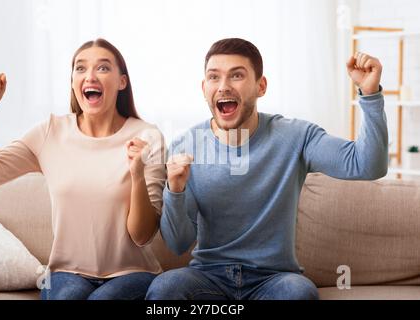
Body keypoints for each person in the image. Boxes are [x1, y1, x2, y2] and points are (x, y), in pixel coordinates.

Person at [146, 38, 388, 300]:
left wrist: (370, 94)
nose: (223, 86)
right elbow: (177, 242)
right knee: (165, 289)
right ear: (204, 88)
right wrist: (176, 189)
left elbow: (366, 165)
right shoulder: (186, 146)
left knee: (298, 293)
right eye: (214, 78)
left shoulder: (297, 136)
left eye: (237, 75)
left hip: (274, 280)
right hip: (208, 276)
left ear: (261, 86)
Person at [0, 38, 166, 300]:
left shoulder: (147, 136)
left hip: (133, 273)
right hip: (65, 273)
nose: (90, 76)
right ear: (73, 82)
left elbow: (142, 236)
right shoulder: (50, 133)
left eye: (103, 68)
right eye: (81, 68)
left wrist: (137, 174)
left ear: (122, 81)